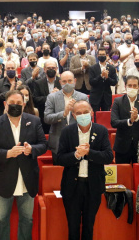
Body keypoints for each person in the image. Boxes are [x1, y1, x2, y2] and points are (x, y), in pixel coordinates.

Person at [0, 90, 47, 240]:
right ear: (5, 104)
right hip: (3, 181)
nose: (15, 106)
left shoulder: (35, 121)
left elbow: (44, 145)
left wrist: (32, 149)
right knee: (1, 220)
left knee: (27, 220)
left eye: (19, 103)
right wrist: (7, 153)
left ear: (24, 105)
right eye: (12, 103)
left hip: (27, 179)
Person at [57, 100, 113, 240]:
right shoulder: (67, 132)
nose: (83, 115)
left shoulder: (101, 131)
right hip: (72, 187)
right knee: (73, 226)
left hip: (93, 186)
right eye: (79, 113)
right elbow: (59, 159)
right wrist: (76, 155)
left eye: (85, 112)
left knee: (89, 225)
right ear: (74, 116)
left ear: (92, 113)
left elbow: (108, 157)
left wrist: (89, 153)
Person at [44, 71, 88, 164]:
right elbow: (47, 118)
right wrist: (63, 113)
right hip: (57, 142)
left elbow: (88, 119)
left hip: (78, 141)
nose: (67, 83)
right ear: (60, 82)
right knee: (58, 174)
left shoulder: (83, 97)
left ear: (75, 81)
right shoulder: (52, 97)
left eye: (70, 81)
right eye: (64, 81)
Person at [111, 75, 139, 164]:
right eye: (130, 85)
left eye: (135, 85)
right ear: (125, 86)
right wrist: (130, 121)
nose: (132, 88)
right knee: (122, 176)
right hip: (122, 146)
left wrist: (137, 117)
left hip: (137, 145)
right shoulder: (118, 101)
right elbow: (114, 122)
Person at [33, 59, 62, 134]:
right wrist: (50, 96)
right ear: (44, 70)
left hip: (60, 116)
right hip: (44, 116)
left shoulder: (62, 82)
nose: (51, 70)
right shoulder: (38, 83)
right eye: (49, 68)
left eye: (53, 68)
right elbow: (35, 99)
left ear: (56, 69)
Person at [89, 47, 118, 112]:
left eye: (103, 54)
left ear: (106, 55)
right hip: (95, 97)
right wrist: (101, 76)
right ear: (97, 56)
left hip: (106, 98)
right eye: (100, 54)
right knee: (95, 117)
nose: (102, 56)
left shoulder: (111, 68)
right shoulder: (92, 68)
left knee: (106, 117)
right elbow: (91, 82)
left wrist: (107, 78)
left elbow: (114, 82)